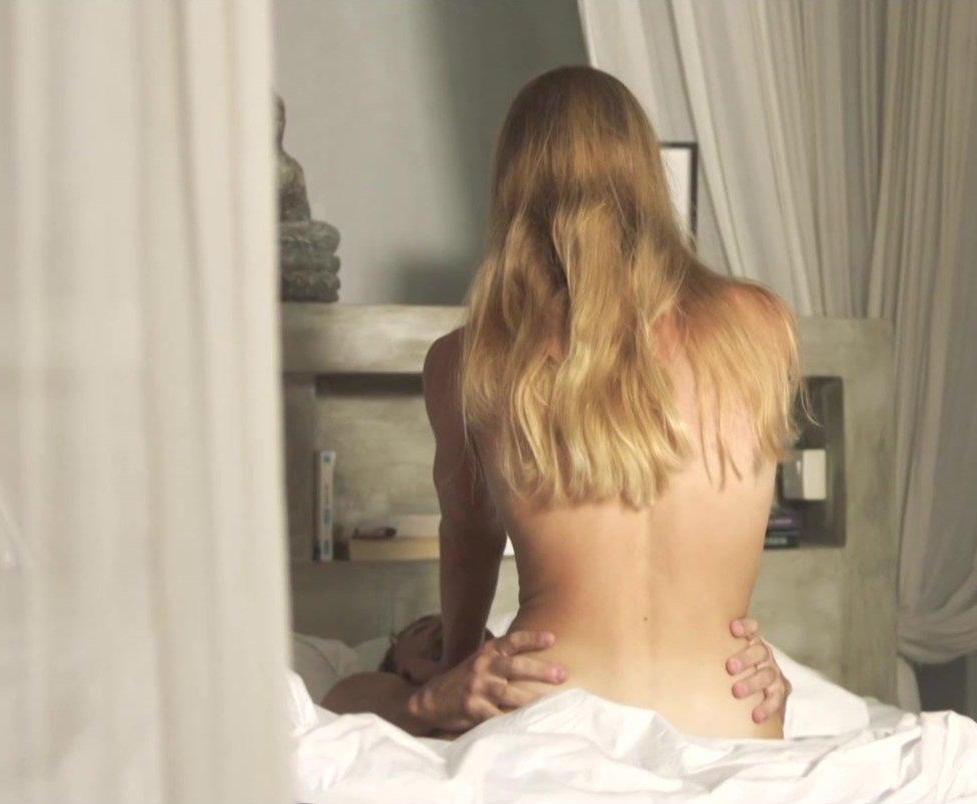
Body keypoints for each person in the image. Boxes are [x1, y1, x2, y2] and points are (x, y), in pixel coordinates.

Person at [327, 66, 804, 740]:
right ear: (646, 173)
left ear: (513, 186)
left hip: (549, 718)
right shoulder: (762, 326)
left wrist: (451, 678)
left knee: (351, 697)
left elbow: (470, 541)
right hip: (732, 716)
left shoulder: (468, 359)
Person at [320, 613, 789, 737]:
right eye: (422, 632)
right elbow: (339, 703)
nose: (445, 627)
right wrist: (427, 702)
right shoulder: (389, 692)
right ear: (399, 665)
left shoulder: (518, 671)